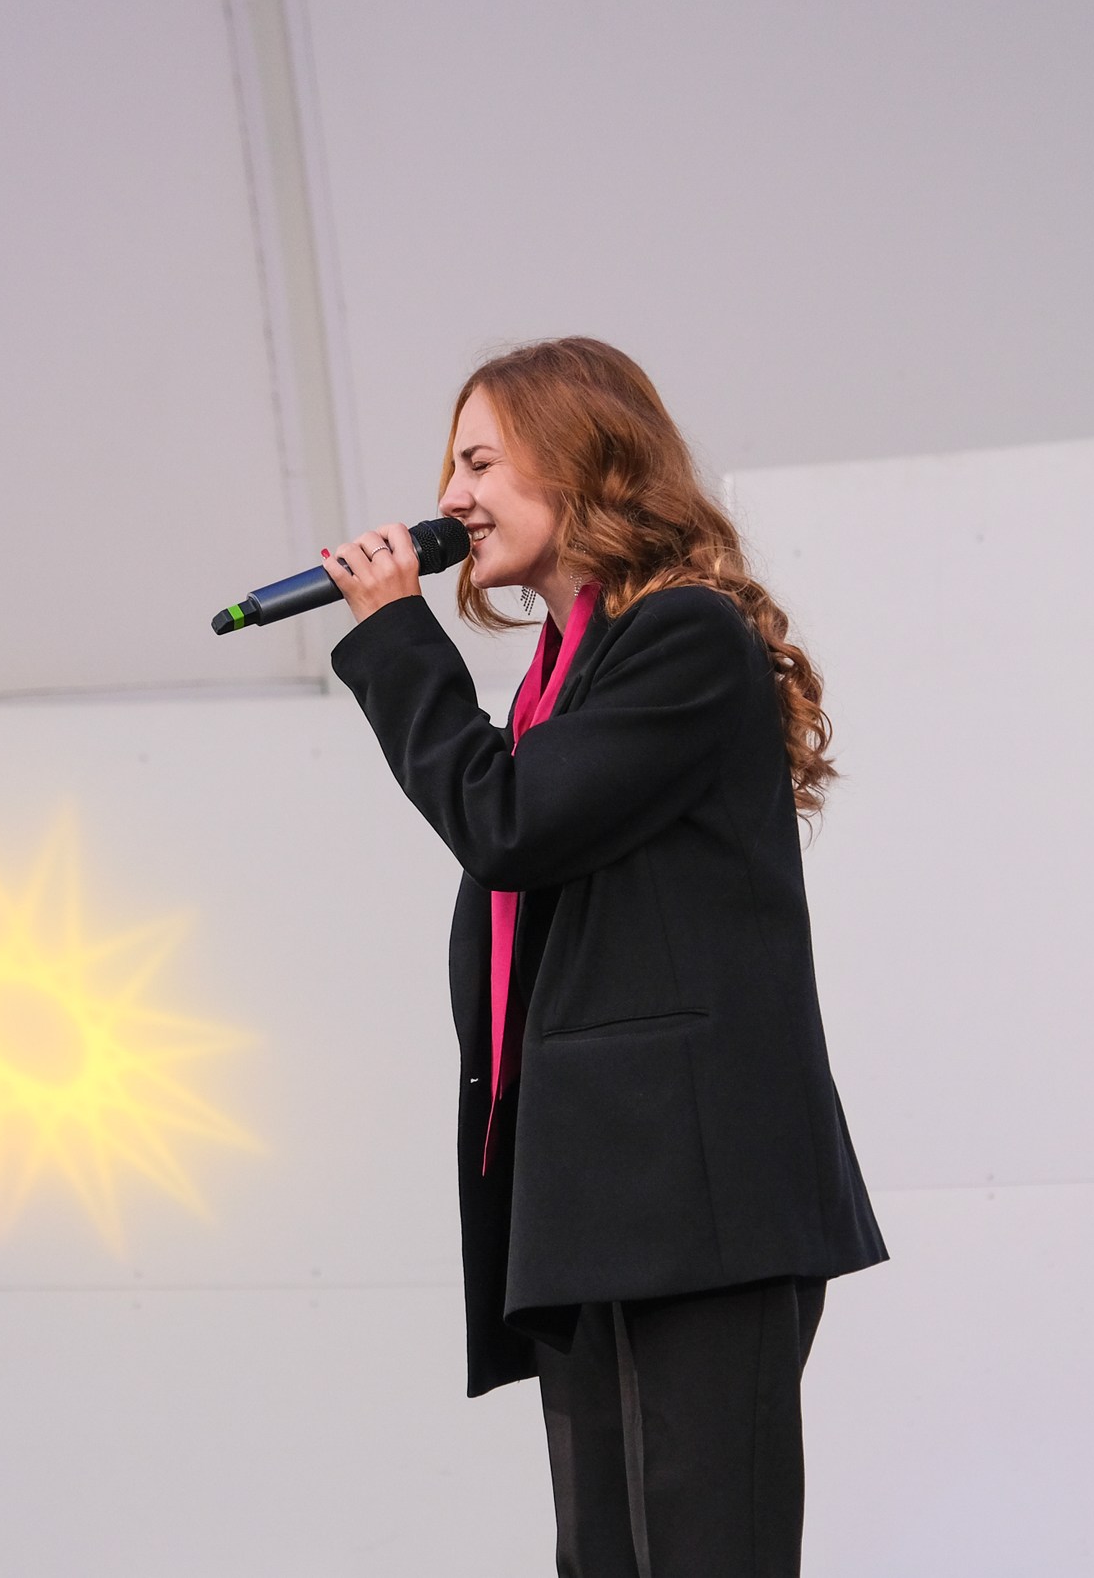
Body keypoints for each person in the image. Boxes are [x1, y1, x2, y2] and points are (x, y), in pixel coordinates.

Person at [321, 337, 885, 1578]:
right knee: (606, 1558)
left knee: (702, 1548)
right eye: (452, 467)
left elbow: (508, 825)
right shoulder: (558, 675)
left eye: (480, 462)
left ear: (579, 457)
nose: (452, 497)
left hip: (693, 1191)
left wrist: (395, 639)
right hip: (585, 1191)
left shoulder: (683, 638)